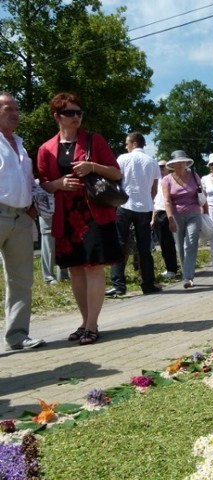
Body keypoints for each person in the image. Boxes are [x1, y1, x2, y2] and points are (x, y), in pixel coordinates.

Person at [37, 92, 123, 345]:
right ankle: (85, 322)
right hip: (66, 217)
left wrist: (92, 166)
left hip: (93, 213)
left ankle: (93, 325)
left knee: (93, 267)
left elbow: (116, 173)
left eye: (79, 112)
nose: (76, 117)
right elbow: (43, 184)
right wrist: (59, 183)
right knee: (75, 269)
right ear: (57, 117)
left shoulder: (94, 140)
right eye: (70, 113)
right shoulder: (46, 149)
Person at [1, 92, 45, 350]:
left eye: (17, 109)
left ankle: (17, 336)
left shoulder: (20, 143)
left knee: (21, 280)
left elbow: (26, 180)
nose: (15, 113)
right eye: (8, 108)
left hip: (21, 218)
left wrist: (32, 207)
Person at [107, 132, 161, 296]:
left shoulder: (122, 159)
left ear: (134, 143)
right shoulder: (152, 162)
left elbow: (116, 179)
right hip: (144, 207)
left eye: (127, 143)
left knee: (120, 244)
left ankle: (119, 285)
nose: (125, 146)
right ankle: (148, 284)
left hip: (125, 204)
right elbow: (155, 188)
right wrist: (148, 201)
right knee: (144, 248)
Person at [162, 150, 206, 289]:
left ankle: (188, 277)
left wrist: (205, 210)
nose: (181, 164)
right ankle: (185, 273)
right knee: (180, 246)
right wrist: (170, 218)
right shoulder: (167, 180)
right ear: (172, 164)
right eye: (177, 162)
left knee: (191, 243)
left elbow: (201, 193)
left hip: (194, 212)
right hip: (176, 215)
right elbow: (167, 200)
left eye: (183, 161)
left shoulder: (194, 175)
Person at [151, 159, 178, 279]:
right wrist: (152, 218)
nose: (160, 168)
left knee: (172, 243)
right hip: (159, 213)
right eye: (158, 166)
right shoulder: (155, 182)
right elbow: (154, 202)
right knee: (163, 243)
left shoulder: (172, 179)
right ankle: (170, 268)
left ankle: (174, 268)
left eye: (163, 166)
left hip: (171, 213)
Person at [39, 212, 69, 285]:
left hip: (62, 208)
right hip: (46, 208)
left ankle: (63, 275)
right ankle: (48, 277)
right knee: (49, 242)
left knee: (63, 240)